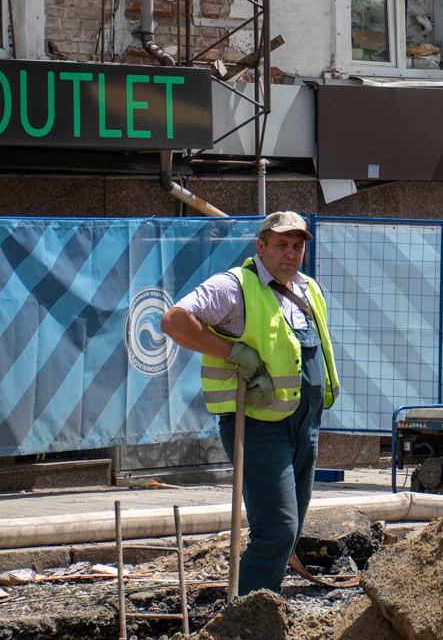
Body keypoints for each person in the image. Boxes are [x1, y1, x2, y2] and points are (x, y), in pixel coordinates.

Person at [161, 211, 339, 596]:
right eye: (281, 245)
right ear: (261, 247)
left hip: (305, 424)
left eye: (297, 245)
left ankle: (260, 604)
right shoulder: (235, 287)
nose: (291, 253)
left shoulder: (308, 289)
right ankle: (245, 620)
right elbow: (175, 321)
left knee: (288, 531)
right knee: (277, 530)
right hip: (260, 428)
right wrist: (234, 352)